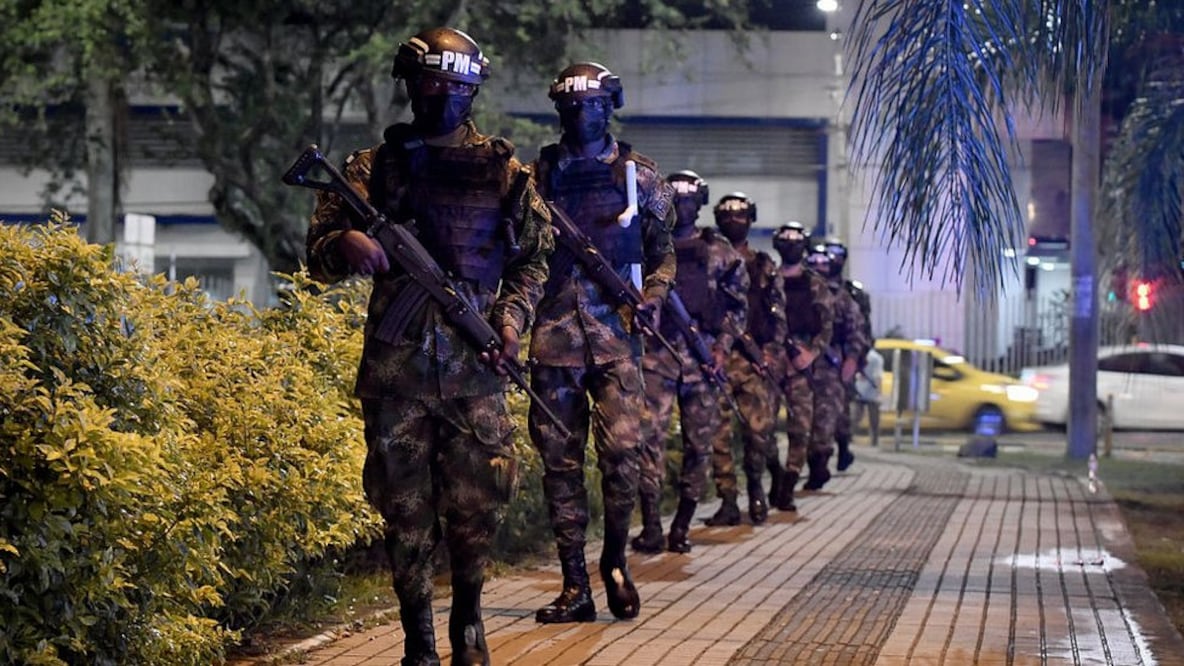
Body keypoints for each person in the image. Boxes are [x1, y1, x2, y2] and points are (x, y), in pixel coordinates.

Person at [304, 27, 553, 666]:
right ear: (411, 84)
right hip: (397, 375)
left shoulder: (506, 172)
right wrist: (345, 246)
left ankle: (468, 618)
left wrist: (508, 321)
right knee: (404, 512)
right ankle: (418, 639)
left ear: (474, 88)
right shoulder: (368, 168)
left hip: (477, 370)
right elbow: (318, 253)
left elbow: (534, 261)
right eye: (431, 81)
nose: (442, 94)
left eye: (455, 83)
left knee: (477, 508)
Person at [528, 62, 676, 624]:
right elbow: (515, 253)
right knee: (559, 466)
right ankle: (574, 584)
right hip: (552, 342)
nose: (580, 114)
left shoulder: (641, 177)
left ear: (610, 107)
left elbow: (664, 253)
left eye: (591, 104)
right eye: (569, 105)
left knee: (620, 456)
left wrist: (654, 296)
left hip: (618, 341)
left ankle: (615, 560)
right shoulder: (533, 178)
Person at [634, 172, 748, 553]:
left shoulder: (722, 253)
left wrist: (721, 347)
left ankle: (681, 525)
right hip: (657, 356)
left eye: (689, 199)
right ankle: (651, 524)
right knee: (648, 441)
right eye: (675, 198)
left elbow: (738, 308)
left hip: (702, 362)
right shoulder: (648, 246)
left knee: (699, 445)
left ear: (700, 204)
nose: (683, 206)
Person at [705, 192, 787, 525]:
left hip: (754, 362)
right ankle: (728, 501)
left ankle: (757, 491)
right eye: (727, 215)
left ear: (751, 220)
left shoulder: (764, 265)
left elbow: (778, 316)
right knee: (717, 435)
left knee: (758, 434)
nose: (734, 220)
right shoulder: (708, 259)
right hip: (718, 358)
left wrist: (768, 354)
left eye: (741, 215)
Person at [773, 224, 835, 508]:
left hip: (800, 362)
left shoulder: (815, 284)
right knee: (760, 429)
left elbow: (826, 326)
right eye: (785, 240)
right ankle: (774, 474)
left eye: (796, 241)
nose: (790, 246)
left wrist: (810, 354)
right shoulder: (767, 278)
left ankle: (789, 482)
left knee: (800, 428)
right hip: (771, 360)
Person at [804, 244, 867, 488]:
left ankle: (819, 466)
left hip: (830, 367)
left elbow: (856, 330)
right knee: (802, 420)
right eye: (815, 263)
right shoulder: (799, 291)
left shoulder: (841, 297)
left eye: (824, 264)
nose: (819, 268)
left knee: (826, 417)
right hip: (799, 363)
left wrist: (851, 359)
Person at [822, 238, 873, 470]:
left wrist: (855, 358)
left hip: (842, 356)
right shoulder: (815, 286)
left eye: (837, 254)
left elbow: (863, 329)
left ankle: (843, 448)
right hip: (816, 353)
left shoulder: (852, 293)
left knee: (841, 405)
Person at [853, 346, 884, 447]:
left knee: (856, 416)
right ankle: (874, 441)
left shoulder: (859, 355)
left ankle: (848, 437)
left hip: (859, 389)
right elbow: (878, 377)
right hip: (872, 392)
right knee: (874, 419)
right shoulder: (877, 358)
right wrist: (879, 394)